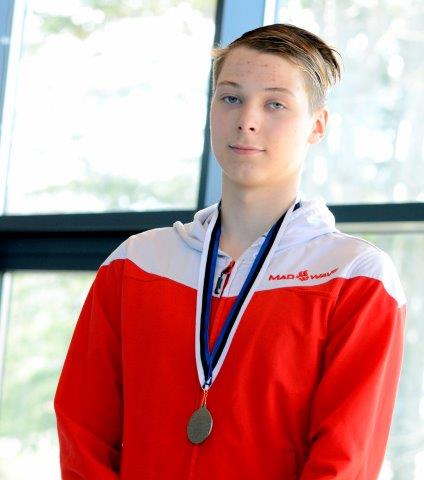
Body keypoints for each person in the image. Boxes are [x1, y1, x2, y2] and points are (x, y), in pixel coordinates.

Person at [54, 23, 406, 479]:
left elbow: (345, 458)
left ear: (317, 125)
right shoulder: (136, 263)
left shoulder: (355, 277)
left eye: (275, 103)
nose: (247, 120)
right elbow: (83, 431)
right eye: (231, 97)